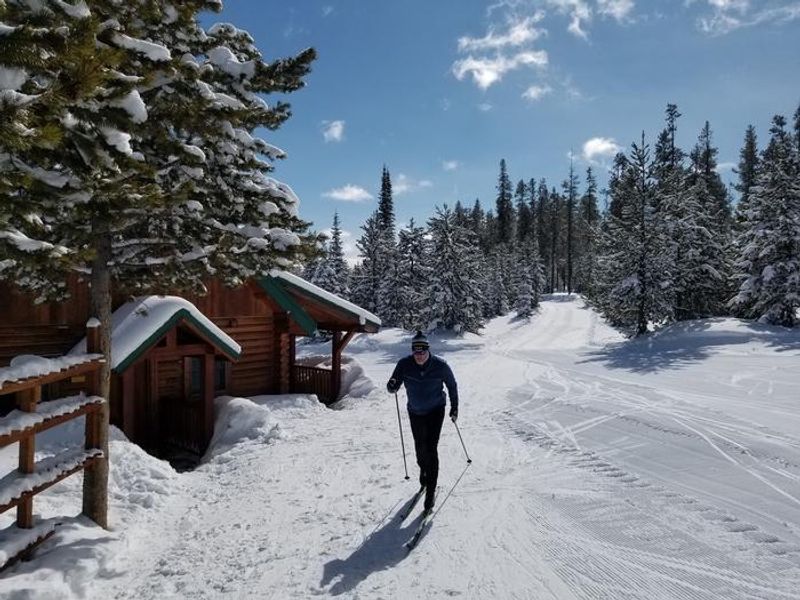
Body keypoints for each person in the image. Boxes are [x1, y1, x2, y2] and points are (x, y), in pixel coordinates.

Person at [387, 331, 458, 511]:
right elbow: (394, 382)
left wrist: (454, 407)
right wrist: (392, 385)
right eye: (415, 353)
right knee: (420, 448)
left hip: (436, 410)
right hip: (415, 412)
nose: (419, 356)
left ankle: (431, 492)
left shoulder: (440, 366)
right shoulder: (404, 364)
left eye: (422, 352)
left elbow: (452, 385)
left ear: (428, 350)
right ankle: (423, 469)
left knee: (431, 448)